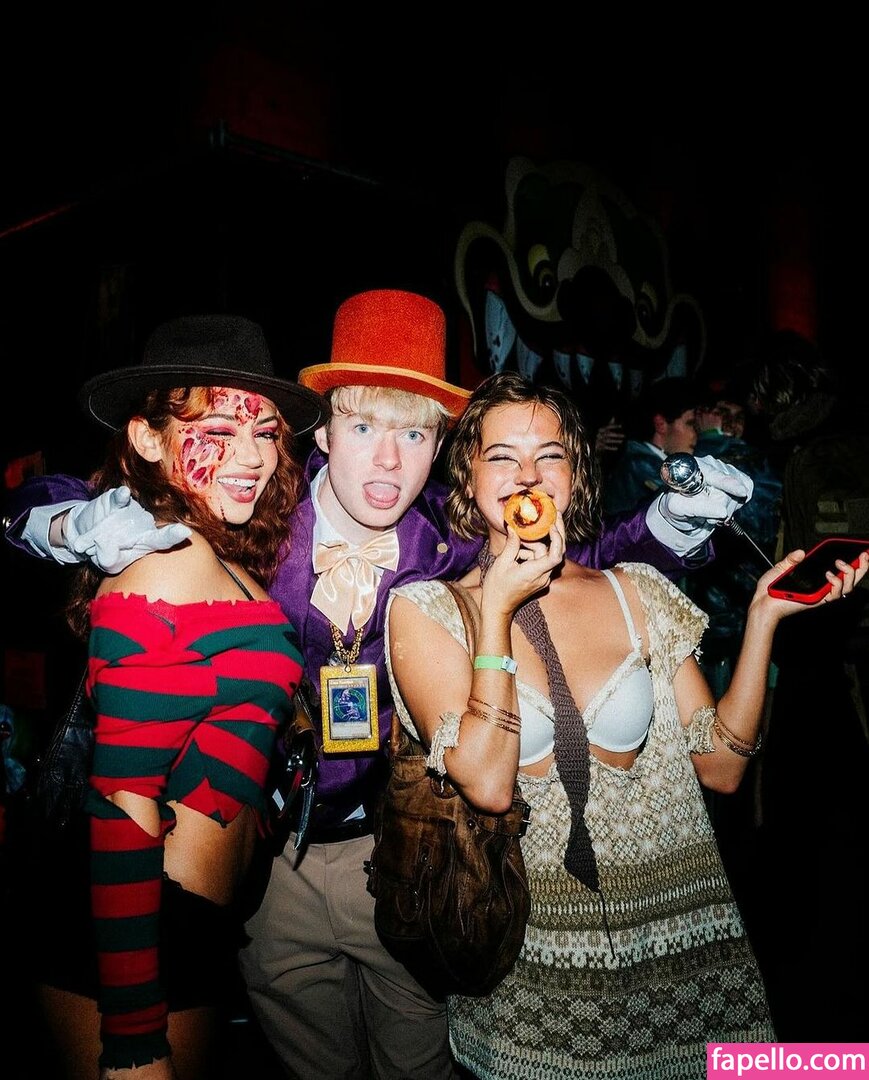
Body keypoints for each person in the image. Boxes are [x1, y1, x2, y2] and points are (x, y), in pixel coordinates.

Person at [5, 290, 757, 1080]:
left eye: (414, 433)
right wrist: (65, 525)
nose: (389, 461)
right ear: (324, 433)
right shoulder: (253, 513)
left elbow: (572, 561)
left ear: (439, 448)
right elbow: (59, 493)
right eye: (364, 427)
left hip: (393, 851)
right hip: (264, 864)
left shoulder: (444, 544)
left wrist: (670, 523)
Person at [384, 370, 867, 1079]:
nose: (527, 475)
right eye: (502, 456)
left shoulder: (636, 589)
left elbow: (722, 767)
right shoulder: (424, 611)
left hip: (682, 947)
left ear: (576, 474)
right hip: (538, 975)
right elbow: (487, 783)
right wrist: (497, 609)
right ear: (468, 476)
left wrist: (764, 619)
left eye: (549, 455)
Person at [16, 314, 328, 1080]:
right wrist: (132, 1036)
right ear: (148, 439)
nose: (252, 456)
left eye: (265, 432)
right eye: (218, 430)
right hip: (133, 927)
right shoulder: (165, 561)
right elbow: (121, 804)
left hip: (188, 924)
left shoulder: (215, 552)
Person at [740, 329, 869, 1039]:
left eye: (759, 398)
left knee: (812, 830)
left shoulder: (821, 451)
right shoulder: (826, 439)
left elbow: (834, 561)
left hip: (830, 657)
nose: (754, 412)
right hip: (827, 652)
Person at [600, 375, 700, 516]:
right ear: (660, 424)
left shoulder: (639, 460)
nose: (695, 433)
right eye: (690, 423)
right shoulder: (639, 466)